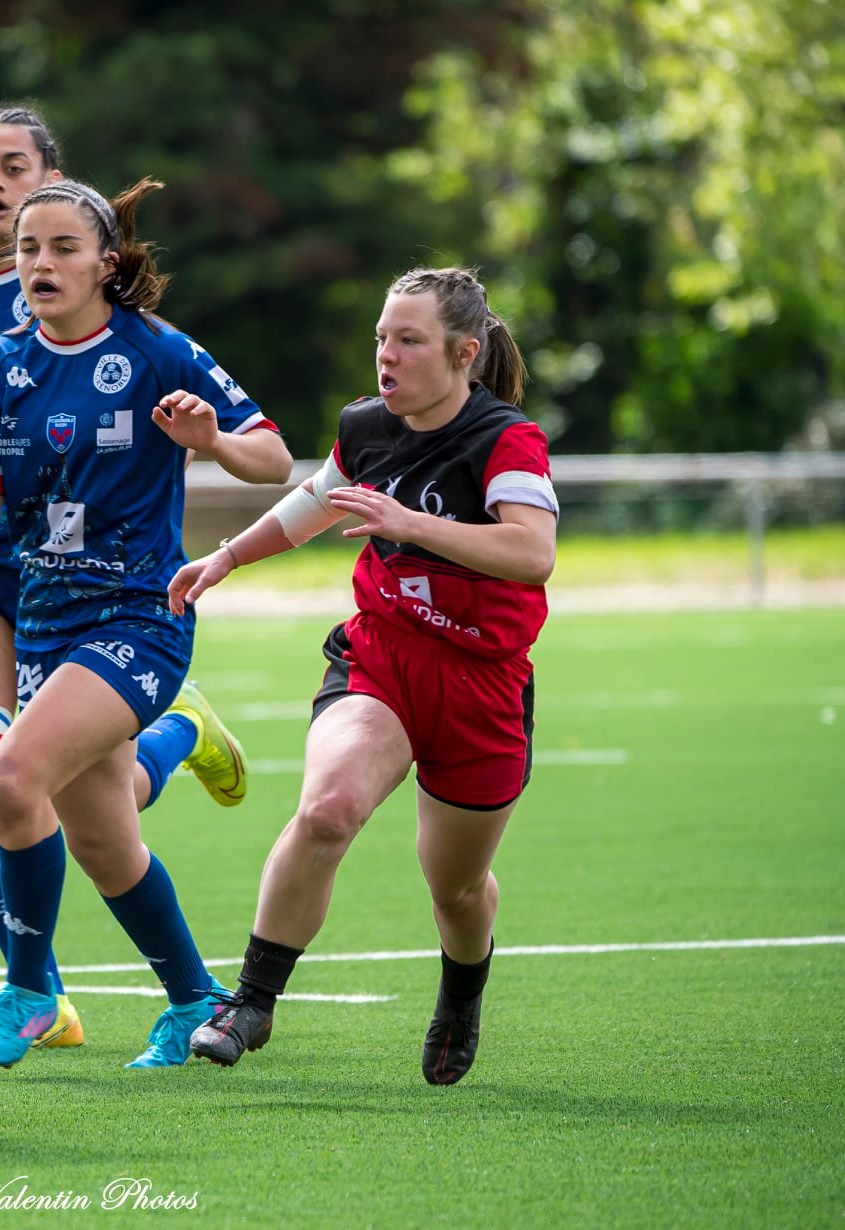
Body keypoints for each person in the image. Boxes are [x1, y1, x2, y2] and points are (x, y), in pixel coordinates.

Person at [0, 108, 254, 1053]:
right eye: (31, 249)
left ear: (106, 261)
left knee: (10, 775)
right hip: (44, 623)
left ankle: (27, 990)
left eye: (64, 247)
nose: (42, 262)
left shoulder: (156, 350)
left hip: (141, 617)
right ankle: (193, 1000)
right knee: (103, 837)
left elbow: (270, 456)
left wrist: (211, 440)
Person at [171, 266, 556, 1085]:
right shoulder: (366, 425)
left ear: (463, 353)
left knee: (456, 890)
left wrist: (410, 523)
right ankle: (250, 1003)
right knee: (328, 810)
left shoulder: (506, 439)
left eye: (408, 340)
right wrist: (227, 557)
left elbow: (532, 552)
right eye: (382, 337)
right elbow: (316, 499)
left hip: (482, 686)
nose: (386, 354)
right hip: (382, 657)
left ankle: (461, 994)